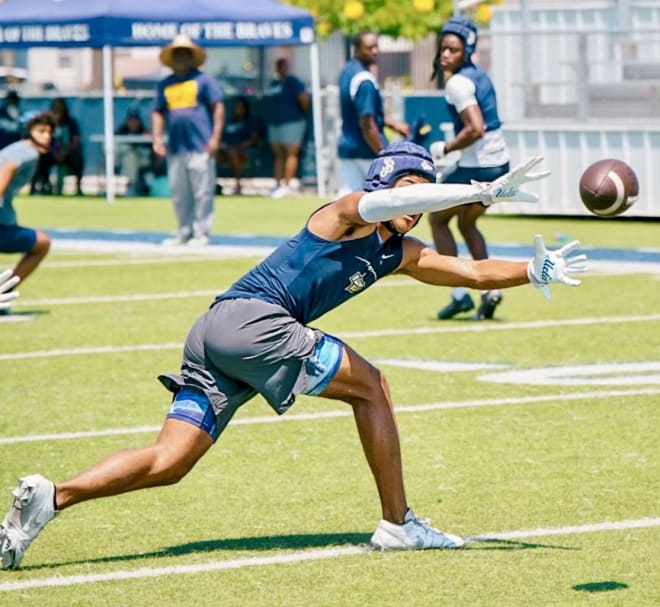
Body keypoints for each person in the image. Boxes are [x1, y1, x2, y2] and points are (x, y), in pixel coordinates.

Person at [0, 142, 588, 568]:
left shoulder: (400, 251)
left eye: (425, 196)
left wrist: (536, 268)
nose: (417, 205)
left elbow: (472, 269)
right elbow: (380, 204)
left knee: (170, 462)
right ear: (386, 185)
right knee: (372, 386)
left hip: (216, 334)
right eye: (411, 191)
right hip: (254, 323)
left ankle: (53, 497)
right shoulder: (345, 214)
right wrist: (474, 191)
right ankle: (399, 524)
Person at [428, 17, 512, 321]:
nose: (445, 55)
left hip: (478, 167)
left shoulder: (457, 82)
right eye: (443, 49)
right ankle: (491, 291)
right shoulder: (477, 75)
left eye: (452, 49)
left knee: (437, 220)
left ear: (466, 50)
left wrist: (446, 148)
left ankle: (459, 294)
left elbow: (475, 128)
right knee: (466, 223)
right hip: (499, 165)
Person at [152, 34, 225, 247]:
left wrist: (215, 138)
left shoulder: (204, 80)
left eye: (185, 53)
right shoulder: (165, 84)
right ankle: (184, 231)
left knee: (202, 191)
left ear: (191, 56)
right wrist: (157, 137)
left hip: (200, 144)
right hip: (176, 146)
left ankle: (202, 232)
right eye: (177, 54)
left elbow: (218, 107)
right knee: (179, 192)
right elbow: (157, 111)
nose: (181, 58)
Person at [337, 31, 410, 196]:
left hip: (348, 146)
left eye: (376, 46)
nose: (375, 51)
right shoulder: (365, 80)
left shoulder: (347, 71)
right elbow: (367, 123)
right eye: (369, 47)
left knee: (349, 199)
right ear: (356, 49)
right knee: (382, 199)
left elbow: (362, 113)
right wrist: (384, 154)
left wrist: (392, 124)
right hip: (366, 150)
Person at [0, 112, 54, 314]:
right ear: (28, 132)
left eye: (49, 131)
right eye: (41, 131)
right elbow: (10, 167)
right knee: (42, 244)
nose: (47, 136)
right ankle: (4, 294)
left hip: (5, 220)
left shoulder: (16, 149)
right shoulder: (28, 151)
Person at [262, 58, 310, 199]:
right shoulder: (274, 83)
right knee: (278, 154)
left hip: (292, 122)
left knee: (291, 153)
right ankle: (277, 184)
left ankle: (287, 185)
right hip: (275, 123)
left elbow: (304, 99)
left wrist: (301, 113)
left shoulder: (293, 81)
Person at [31, 97, 84, 196]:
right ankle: (45, 186)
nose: (57, 109)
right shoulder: (48, 123)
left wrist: (65, 152)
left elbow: (75, 140)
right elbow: (47, 140)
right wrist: (56, 152)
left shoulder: (71, 122)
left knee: (78, 158)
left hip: (67, 152)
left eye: (60, 107)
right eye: (55, 107)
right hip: (52, 153)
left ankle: (78, 187)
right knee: (40, 159)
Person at [218, 96, 261, 195]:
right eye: (236, 106)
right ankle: (211, 185)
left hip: (244, 152)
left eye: (240, 106)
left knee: (232, 152)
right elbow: (220, 137)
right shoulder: (229, 121)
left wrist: (240, 146)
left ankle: (238, 185)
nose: (237, 109)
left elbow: (254, 139)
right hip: (225, 151)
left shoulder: (251, 121)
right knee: (213, 154)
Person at [115, 109, 157, 196]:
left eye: (135, 120)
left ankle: (146, 189)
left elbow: (150, 150)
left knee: (148, 174)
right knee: (130, 158)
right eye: (131, 120)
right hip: (125, 163)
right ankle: (132, 186)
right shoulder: (121, 132)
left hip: (143, 161)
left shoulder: (144, 132)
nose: (133, 123)